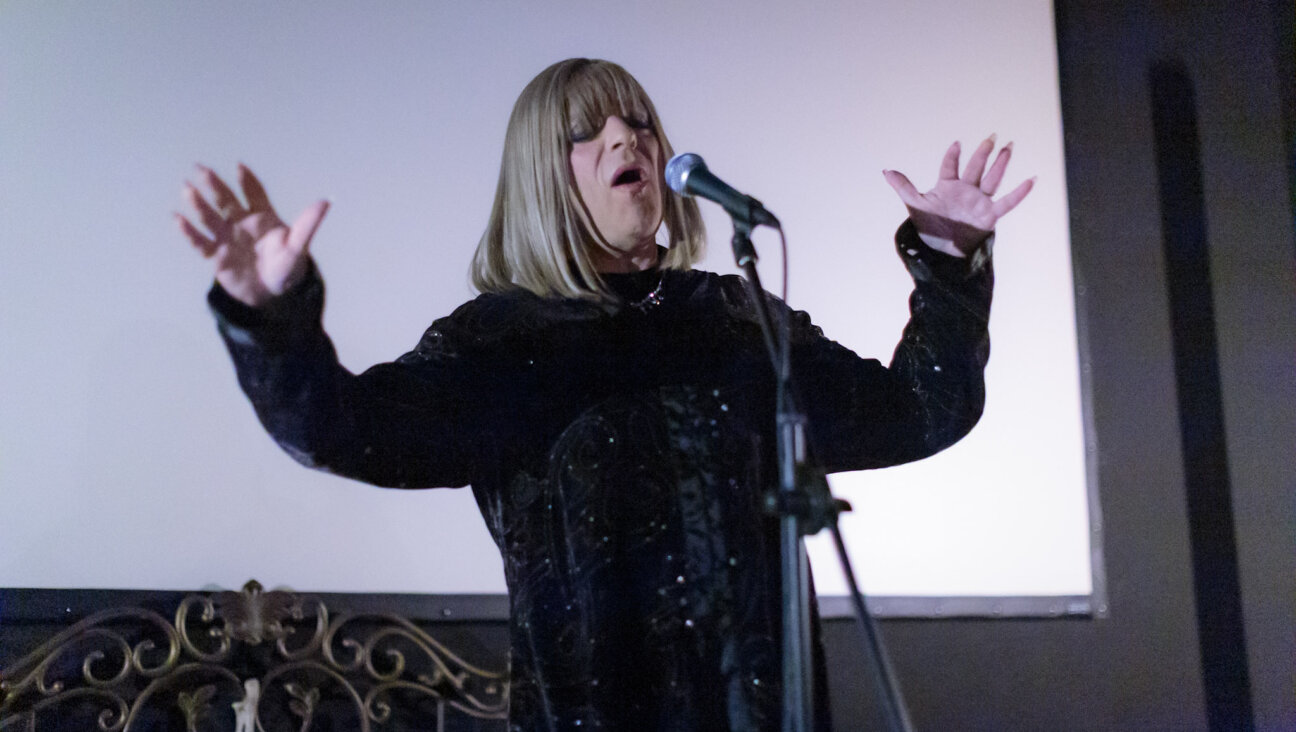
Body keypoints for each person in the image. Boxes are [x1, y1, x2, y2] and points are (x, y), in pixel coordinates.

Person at [177, 58, 1032, 732]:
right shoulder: (503, 343)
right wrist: (273, 320)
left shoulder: (735, 320)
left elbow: (919, 410)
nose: (628, 137)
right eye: (590, 131)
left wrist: (950, 267)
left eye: (640, 122)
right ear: (543, 177)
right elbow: (343, 429)